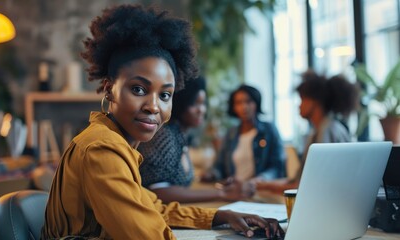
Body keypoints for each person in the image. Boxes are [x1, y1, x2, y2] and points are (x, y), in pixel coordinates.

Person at [41, 4, 283, 239]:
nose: (153, 106)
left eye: (165, 94)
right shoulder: (102, 149)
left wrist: (222, 215)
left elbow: (154, 208)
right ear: (109, 90)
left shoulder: (117, 143)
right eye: (138, 89)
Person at [138, 76, 255, 203]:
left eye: (203, 103)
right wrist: (222, 193)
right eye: (195, 104)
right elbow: (158, 191)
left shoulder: (180, 135)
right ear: (181, 103)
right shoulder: (164, 136)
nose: (201, 110)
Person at [256, 69, 359, 194]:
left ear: (315, 102)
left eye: (302, 100)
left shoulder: (327, 131)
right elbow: (298, 182)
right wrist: (260, 184)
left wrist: (261, 186)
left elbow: (311, 185)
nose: (299, 106)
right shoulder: (319, 130)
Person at [202, 85, 286, 184]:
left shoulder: (269, 130)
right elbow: (219, 166)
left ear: (256, 103)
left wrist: (260, 179)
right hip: (235, 190)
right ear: (234, 107)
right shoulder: (231, 134)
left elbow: (278, 167)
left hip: (260, 189)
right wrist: (212, 174)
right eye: (238, 103)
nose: (244, 107)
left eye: (248, 101)